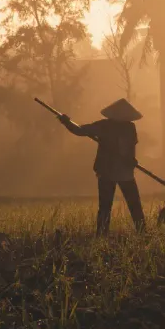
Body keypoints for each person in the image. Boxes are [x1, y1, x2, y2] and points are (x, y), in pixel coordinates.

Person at [59, 98, 146, 235]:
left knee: (131, 204)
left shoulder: (127, 127)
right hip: (109, 171)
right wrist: (67, 122)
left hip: (123, 172)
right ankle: (103, 234)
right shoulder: (105, 126)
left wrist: (132, 160)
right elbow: (80, 130)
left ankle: (141, 232)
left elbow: (130, 148)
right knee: (109, 206)